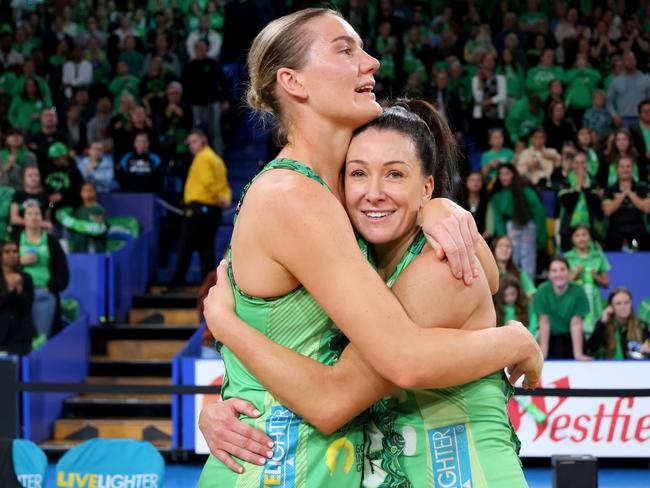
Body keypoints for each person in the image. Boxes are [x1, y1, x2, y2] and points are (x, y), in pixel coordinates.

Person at [195, 9, 541, 487]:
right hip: (277, 469)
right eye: (345, 50)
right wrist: (515, 338)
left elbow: (480, 281)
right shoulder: (292, 197)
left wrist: (439, 207)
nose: (372, 61)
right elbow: (382, 369)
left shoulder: (336, 195)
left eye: (395, 175)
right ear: (293, 81)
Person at [169, 130, 231, 287]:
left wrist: (218, 197)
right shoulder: (216, 159)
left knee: (185, 247)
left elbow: (208, 181)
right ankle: (208, 286)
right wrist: (224, 199)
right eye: (189, 142)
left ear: (203, 140)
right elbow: (224, 185)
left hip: (198, 209)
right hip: (212, 211)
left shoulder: (202, 158)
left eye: (194, 141)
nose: (190, 145)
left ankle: (176, 285)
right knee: (206, 249)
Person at [18, 203, 69, 339]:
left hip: (43, 294)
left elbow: (62, 271)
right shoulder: (15, 241)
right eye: (29, 214)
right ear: (23, 218)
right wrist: (20, 262)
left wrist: (50, 287)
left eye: (37, 214)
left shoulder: (52, 242)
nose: (33, 217)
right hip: (19, 295)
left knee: (42, 338)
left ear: (42, 218)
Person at [489, 163, 547, 278]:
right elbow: (498, 218)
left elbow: (539, 212)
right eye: (501, 174)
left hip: (528, 226)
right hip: (510, 228)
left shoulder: (525, 190)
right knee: (511, 260)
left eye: (507, 173)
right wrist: (502, 236)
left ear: (514, 175)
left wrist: (540, 237)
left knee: (528, 262)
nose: (504, 177)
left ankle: (528, 292)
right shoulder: (497, 195)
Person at [535, 256, 592, 360]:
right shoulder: (542, 291)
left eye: (562, 270)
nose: (558, 274)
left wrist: (578, 355)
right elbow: (544, 322)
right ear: (549, 274)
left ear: (569, 272)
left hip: (572, 338)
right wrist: (542, 355)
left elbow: (576, 324)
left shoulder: (579, 291)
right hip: (551, 339)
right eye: (554, 270)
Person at [564, 225, 610, 335]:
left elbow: (607, 284)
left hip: (594, 301)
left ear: (590, 237)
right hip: (574, 300)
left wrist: (596, 277)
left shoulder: (599, 256)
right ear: (572, 239)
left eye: (584, 234)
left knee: (596, 332)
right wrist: (575, 273)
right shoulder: (567, 257)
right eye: (577, 235)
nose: (581, 238)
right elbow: (562, 283)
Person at [556, 152, 602, 251]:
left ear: (587, 165)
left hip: (589, 228)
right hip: (568, 229)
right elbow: (568, 205)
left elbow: (595, 207)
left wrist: (586, 188)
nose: (580, 166)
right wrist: (578, 186)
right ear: (572, 165)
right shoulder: (565, 182)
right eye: (576, 163)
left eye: (583, 162)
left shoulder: (593, 182)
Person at [586, 287, 650, 359]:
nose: (623, 307)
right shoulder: (604, 325)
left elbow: (647, 346)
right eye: (618, 304)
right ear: (611, 307)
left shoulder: (641, 326)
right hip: (609, 368)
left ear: (631, 304)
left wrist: (646, 350)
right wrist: (602, 322)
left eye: (626, 302)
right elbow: (591, 349)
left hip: (634, 367)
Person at [602, 156, 650, 250]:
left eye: (628, 166)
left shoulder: (642, 187)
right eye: (622, 166)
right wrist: (623, 194)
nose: (625, 169)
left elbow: (647, 209)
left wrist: (630, 193)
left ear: (632, 169)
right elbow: (607, 211)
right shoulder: (609, 189)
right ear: (617, 169)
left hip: (638, 232)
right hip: (615, 234)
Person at [0, 240, 35, 355]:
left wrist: (20, 292)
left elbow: (27, 308)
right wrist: (9, 290)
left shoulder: (26, 278)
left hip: (20, 336)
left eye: (15, 251)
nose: (12, 255)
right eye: (7, 251)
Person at [607, 51, 650, 128]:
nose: (630, 61)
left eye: (632, 58)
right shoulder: (616, 81)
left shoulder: (646, 80)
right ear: (623, 62)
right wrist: (614, 115)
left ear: (636, 61)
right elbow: (609, 101)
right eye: (627, 59)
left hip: (642, 119)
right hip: (623, 120)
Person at [9, 166, 52, 239]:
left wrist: (47, 226)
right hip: (19, 233)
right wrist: (36, 223)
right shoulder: (17, 195)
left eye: (36, 175)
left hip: (39, 235)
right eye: (30, 175)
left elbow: (47, 219)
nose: (33, 178)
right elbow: (14, 219)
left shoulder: (45, 197)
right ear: (23, 179)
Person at [491, 235, 536, 299]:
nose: (504, 249)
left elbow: (530, 294)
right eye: (500, 246)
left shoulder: (519, 273)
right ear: (493, 250)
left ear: (512, 251)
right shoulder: (489, 273)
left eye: (508, 246)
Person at [67, 182, 107, 253]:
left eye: (90, 190)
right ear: (81, 193)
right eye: (84, 190)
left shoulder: (99, 210)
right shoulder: (78, 210)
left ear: (94, 193)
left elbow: (100, 229)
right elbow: (72, 229)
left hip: (94, 251)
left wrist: (84, 227)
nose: (87, 193)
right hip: (78, 250)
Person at [495, 275, 538, 339]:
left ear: (518, 292)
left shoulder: (527, 306)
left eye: (513, 293)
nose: (509, 298)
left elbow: (533, 326)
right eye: (505, 295)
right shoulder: (496, 310)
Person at [460, 171, 488, 235]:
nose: (475, 183)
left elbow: (489, 229)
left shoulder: (487, 201)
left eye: (478, 180)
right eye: (472, 180)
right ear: (466, 182)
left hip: (484, 239)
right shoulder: (458, 201)